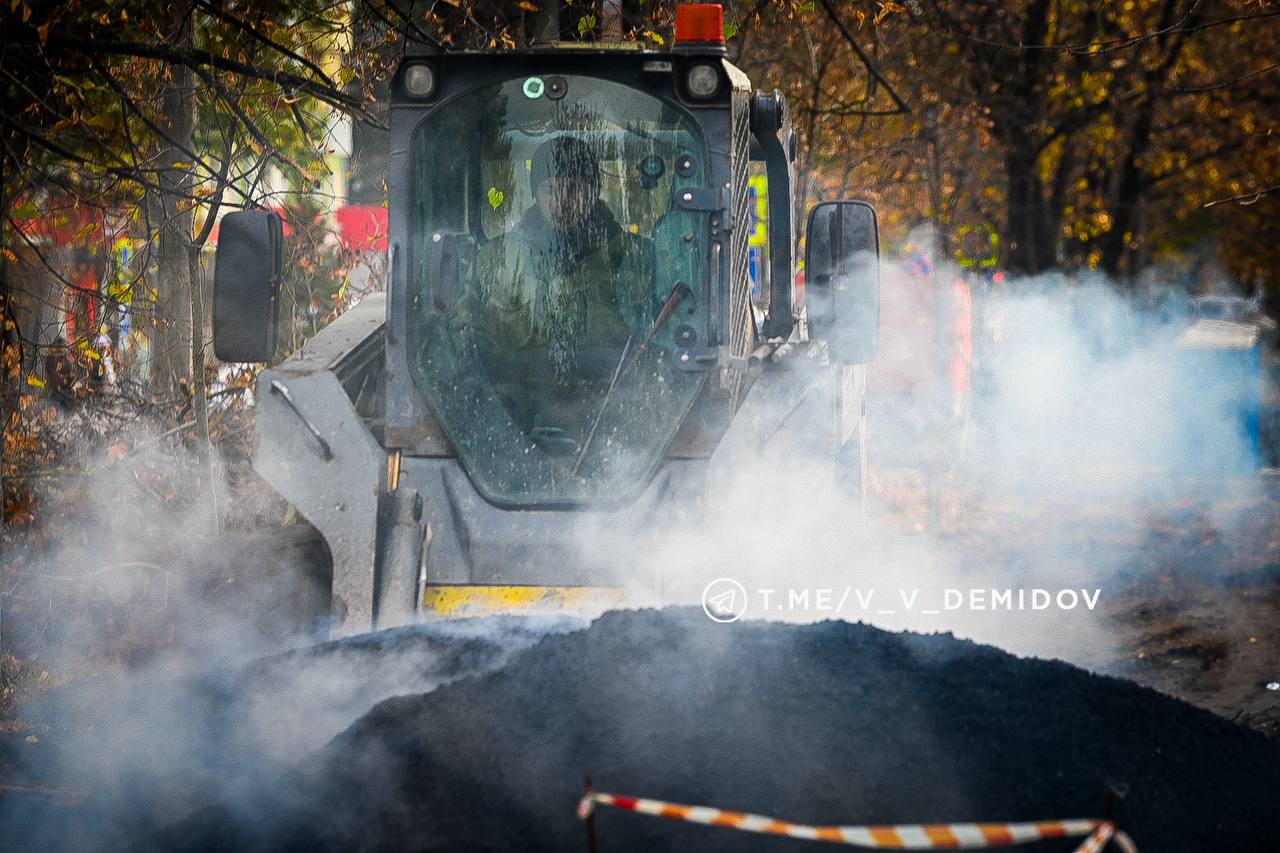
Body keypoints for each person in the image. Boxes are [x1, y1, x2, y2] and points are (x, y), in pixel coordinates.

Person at [451, 136, 654, 436]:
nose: (562, 201)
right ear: (536, 193)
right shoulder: (496, 259)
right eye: (550, 189)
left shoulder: (634, 258)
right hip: (514, 422)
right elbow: (466, 335)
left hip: (613, 415)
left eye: (574, 188)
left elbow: (656, 350)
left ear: (594, 191)